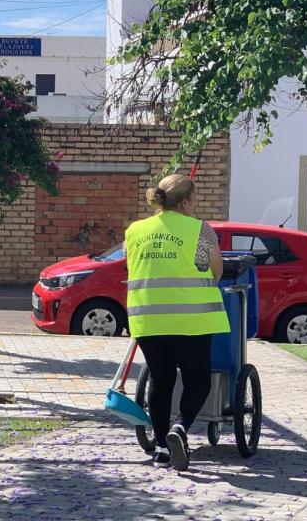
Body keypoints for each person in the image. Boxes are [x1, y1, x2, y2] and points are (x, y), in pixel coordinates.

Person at [124, 174, 226, 471]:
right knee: (198, 380)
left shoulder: (135, 230)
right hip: (191, 320)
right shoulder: (199, 230)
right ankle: (179, 429)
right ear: (184, 202)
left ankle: (160, 449)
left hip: (147, 319)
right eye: (193, 200)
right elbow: (215, 270)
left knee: (161, 379)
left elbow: (135, 267)